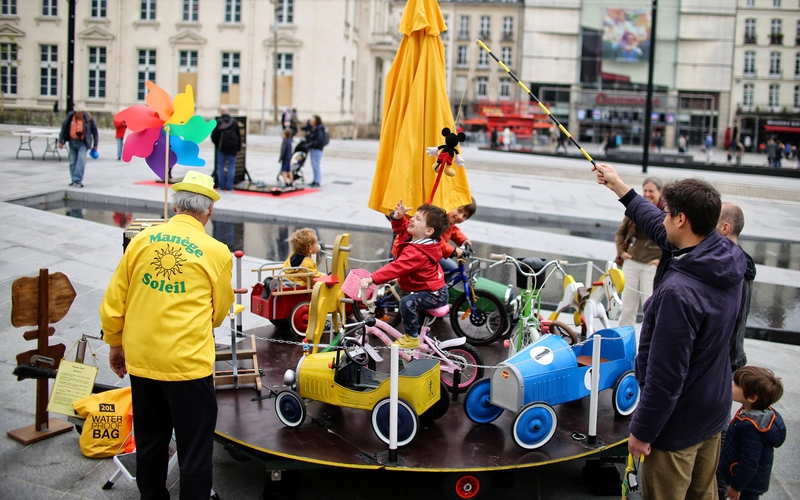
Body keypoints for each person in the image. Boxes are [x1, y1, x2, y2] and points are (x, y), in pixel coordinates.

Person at [592, 162, 746, 499]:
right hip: (713, 409)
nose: (661, 220)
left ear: (681, 220)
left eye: (668, 214)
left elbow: (666, 375)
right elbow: (654, 223)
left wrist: (643, 432)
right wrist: (619, 186)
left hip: (677, 424)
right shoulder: (726, 255)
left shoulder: (679, 293)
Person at [99, 171, 234, 500]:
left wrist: (116, 344)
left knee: (150, 440)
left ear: (175, 208)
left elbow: (114, 302)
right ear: (209, 212)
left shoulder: (141, 241)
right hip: (188, 365)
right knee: (194, 448)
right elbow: (218, 313)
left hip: (143, 360)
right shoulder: (217, 252)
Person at [361, 200, 449, 348]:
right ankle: (416, 334)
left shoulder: (418, 253)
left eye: (418, 219)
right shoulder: (416, 239)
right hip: (427, 287)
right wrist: (398, 217)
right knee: (400, 289)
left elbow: (396, 267)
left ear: (428, 231)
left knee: (407, 302)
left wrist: (372, 278)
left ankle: (412, 337)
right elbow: (401, 230)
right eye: (413, 216)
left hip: (434, 294)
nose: (412, 219)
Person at [717, 366, 786, 500]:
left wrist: (736, 487)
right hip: (743, 480)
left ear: (752, 398)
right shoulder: (756, 414)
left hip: (746, 485)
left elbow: (749, 462)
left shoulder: (751, 428)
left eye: (737, 385)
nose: (731, 384)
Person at [614, 177, 663, 327]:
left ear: (660, 192)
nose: (647, 194)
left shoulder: (666, 212)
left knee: (649, 306)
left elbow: (674, 241)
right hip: (632, 260)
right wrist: (622, 252)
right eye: (645, 190)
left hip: (652, 264)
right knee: (627, 307)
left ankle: (648, 345)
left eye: (651, 191)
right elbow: (621, 233)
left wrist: (661, 261)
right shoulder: (637, 209)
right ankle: (623, 342)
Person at [717, 202, 756, 372]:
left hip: (721, 361)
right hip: (729, 357)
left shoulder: (729, 268)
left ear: (725, 228)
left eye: (712, 221)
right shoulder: (740, 261)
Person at [58, 102, 99, 188]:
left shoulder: (88, 118)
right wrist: (61, 141)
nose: (80, 114)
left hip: (83, 143)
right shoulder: (70, 117)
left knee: (81, 161)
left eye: (81, 112)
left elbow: (95, 131)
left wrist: (95, 144)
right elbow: (64, 128)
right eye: (78, 112)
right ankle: (73, 180)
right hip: (72, 141)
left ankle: (78, 180)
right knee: (72, 161)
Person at [438, 198, 477, 277]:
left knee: (451, 267)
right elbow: (436, 240)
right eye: (459, 211)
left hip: (435, 254)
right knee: (451, 267)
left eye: (465, 216)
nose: (460, 217)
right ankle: (438, 288)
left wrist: (464, 240)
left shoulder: (448, 221)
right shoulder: (439, 219)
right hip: (427, 254)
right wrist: (453, 250)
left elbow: (453, 231)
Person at [210, 106, 241, 192]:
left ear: (221, 112)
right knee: (231, 167)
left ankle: (221, 186)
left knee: (220, 167)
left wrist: (217, 145)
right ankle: (229, 187)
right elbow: (238, 136)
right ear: (228, 112)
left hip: (221, 148)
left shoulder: (218, 122)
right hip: (233, 148)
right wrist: (238, 148)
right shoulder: (234, 122)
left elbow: (213, 136)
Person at [306, 115, 325, 187]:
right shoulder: (315, 128)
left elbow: (319, 140)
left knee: (316, 165)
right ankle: (315, 180)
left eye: (312, 120)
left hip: (316, 149)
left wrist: (314, 145)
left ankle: (317, 181)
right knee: (314, 165)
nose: (311, 121)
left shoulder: (319, 129)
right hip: (314, 149)